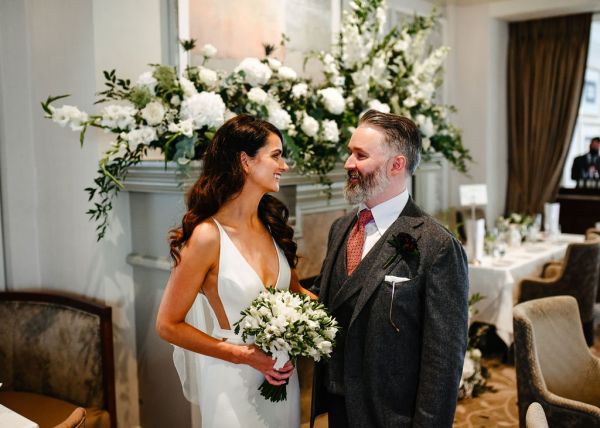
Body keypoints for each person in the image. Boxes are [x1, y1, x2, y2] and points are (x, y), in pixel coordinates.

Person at [310, 110, 469, 428]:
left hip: (392, 415)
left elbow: (443, 360)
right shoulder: (341, 228)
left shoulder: (437, 245)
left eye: (360, 155)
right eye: (349, 152)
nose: (347, 163)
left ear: (397, 165)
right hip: (339, 408)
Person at [156, 114, 314, 428]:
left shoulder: (273, 227)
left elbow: (298, 296)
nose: (283, 166)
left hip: (282, 375)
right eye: (276, 155)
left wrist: (348, 312)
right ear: (245, 160)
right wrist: (243, 355)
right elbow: (168, 325)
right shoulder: (207, 236)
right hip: (232, 381)